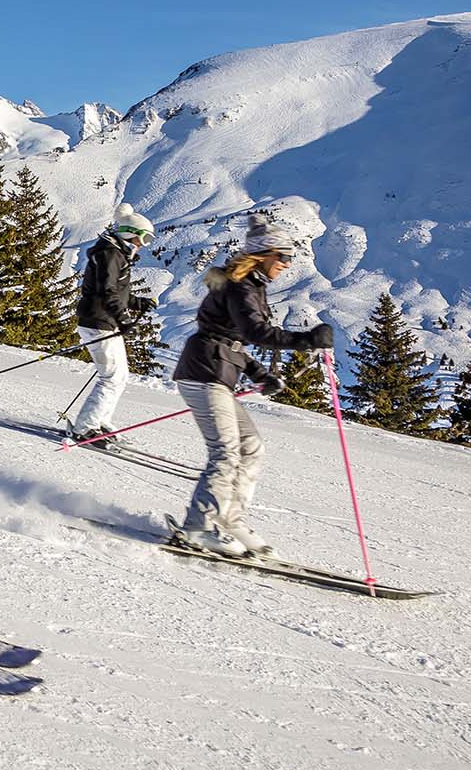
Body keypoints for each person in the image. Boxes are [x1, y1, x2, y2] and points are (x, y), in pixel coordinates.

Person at [170, 213, 333, 557]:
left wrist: (259, 373)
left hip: (218, 372)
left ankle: (230, 518)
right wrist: (305, 340)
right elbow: (253, 332)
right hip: (204, 371)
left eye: (291, 257)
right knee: (226, 452)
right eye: (284, 256)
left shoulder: (250, 285)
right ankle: (198, 527)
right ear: (264, 254)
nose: (288, 264)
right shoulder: (240, 286)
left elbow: (233, 339)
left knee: (251, 447)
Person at [65, 203, 156, 446]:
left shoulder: (115, 253)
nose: (143, 245)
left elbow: (116, 292)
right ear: (130, 233)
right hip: (98, 321)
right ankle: (85, 427)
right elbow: (107, 292)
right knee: (111, 377)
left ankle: (100, 421)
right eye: (144, 238)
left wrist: (138, 303)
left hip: (104, 320)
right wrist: (124, 319)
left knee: (119, 376)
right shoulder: (110, 254)